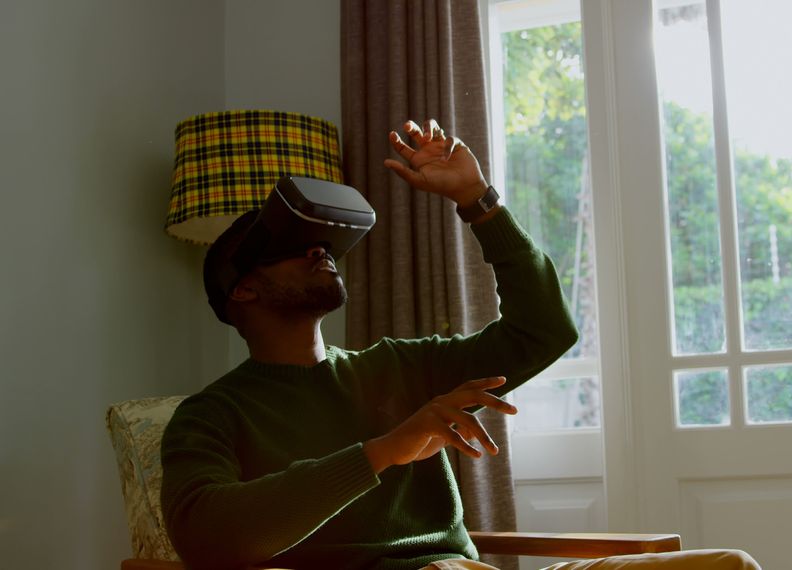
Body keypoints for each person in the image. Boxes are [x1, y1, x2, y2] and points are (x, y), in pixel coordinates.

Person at [160, 119, 760, 570]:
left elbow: (543, 332)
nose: (321, 250)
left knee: (728, 566)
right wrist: (388, 449)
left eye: (325, 242)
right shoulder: (211, 415)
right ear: (243, 292)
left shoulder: (402, 366)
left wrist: (478, 201)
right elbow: (209, 536)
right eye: (295, 245)